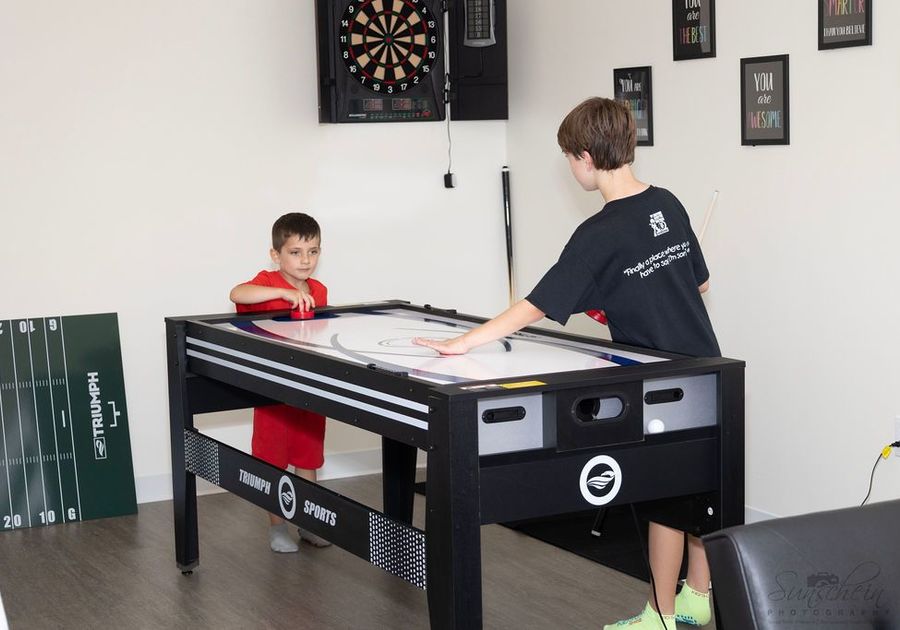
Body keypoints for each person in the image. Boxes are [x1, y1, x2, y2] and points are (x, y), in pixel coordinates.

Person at [413, 97, 718, 630]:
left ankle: (661, 618)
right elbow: (699, 282)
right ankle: (698, 595)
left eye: (566, 158)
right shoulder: (667, 203)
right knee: (700, 489)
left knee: (665, 497)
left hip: (661, 380)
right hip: (708, 366)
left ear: (584, 157)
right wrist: (624, 299)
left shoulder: (597, 234)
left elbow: (535, 304)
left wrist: (467, 341)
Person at [230, 212, 332, 553]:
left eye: (313, 252)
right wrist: (285, 295)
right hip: (272, 390)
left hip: (308, 389)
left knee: (308, 459)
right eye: (295, 252)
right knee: (273, 462)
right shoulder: (268, 282)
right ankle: (277, 529)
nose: (305, 260)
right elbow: (237, 293)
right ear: (276, 255)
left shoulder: (319, 290)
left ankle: (309, 523)